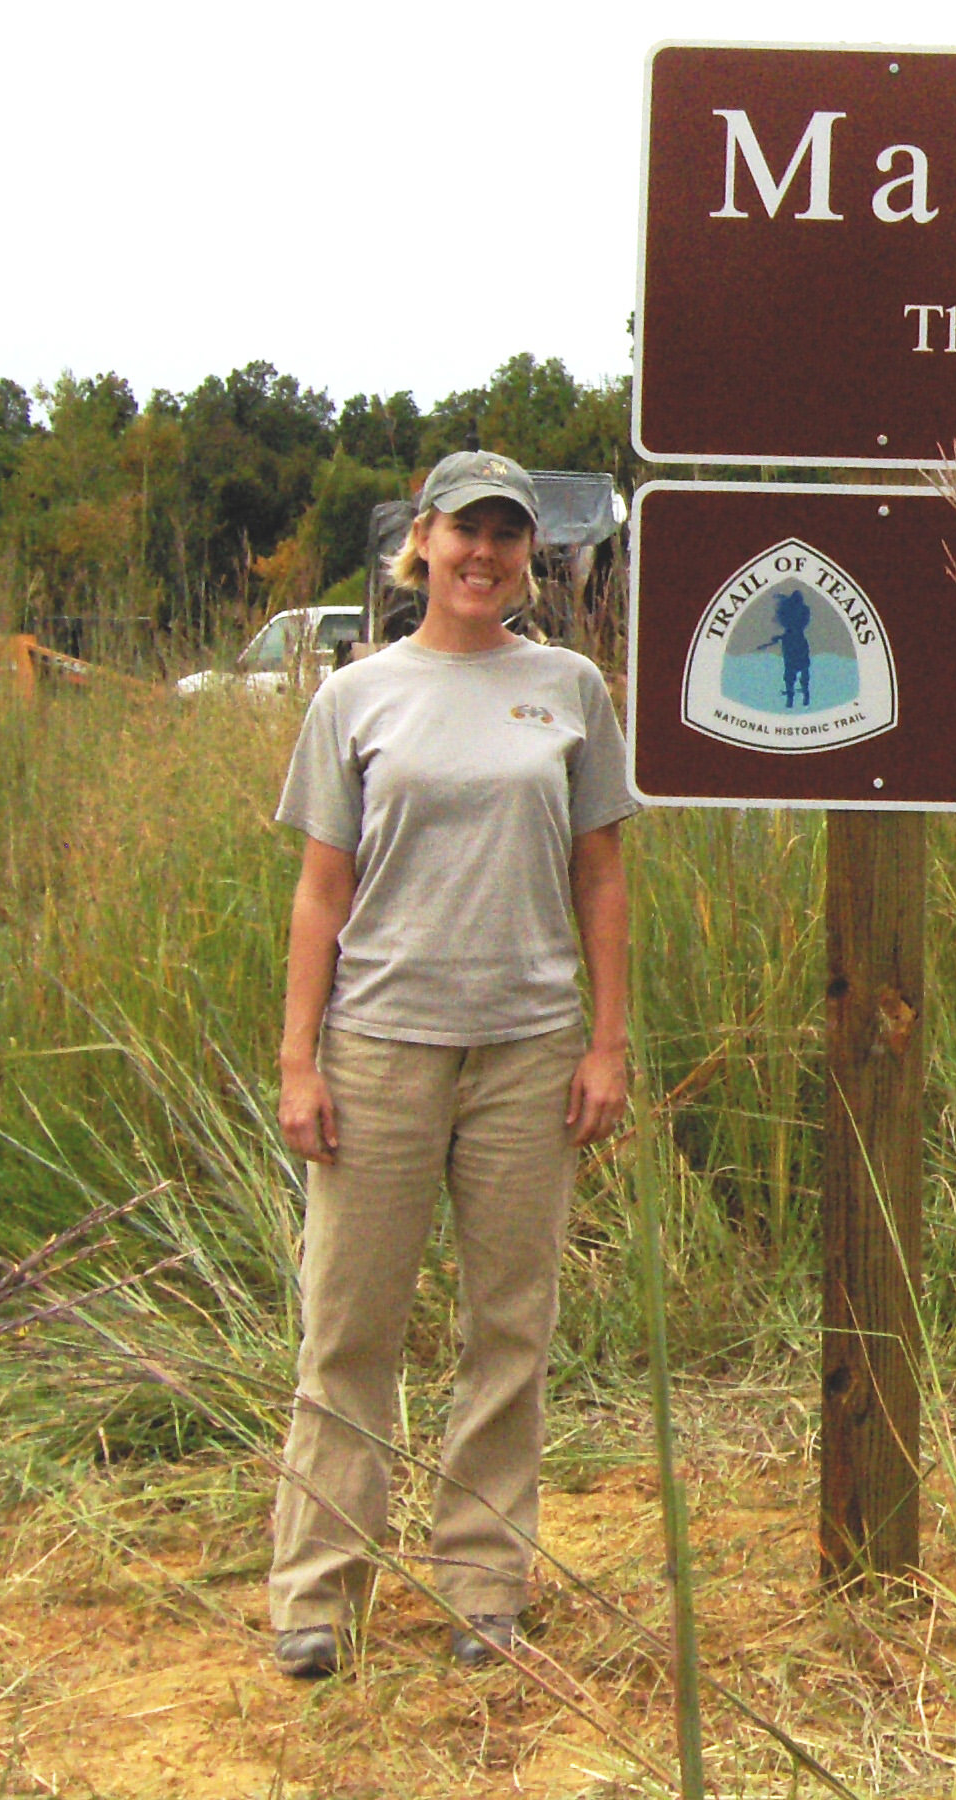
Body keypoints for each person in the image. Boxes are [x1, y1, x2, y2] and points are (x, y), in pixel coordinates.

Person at [265, 449, 639, 1679]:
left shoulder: (572, 688)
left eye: (507, 533)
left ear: (532, 553)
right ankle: (317, 1596)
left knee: (509, 1328)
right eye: (462, 530)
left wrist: (605, 1042)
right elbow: (322, 893)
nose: (482, 553)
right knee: (349, 1327)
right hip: (378, 1049)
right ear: (419, 541)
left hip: (529, 1051)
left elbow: (602, 874)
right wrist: (299, 1062)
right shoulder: (357, 697)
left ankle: (485, 1584)